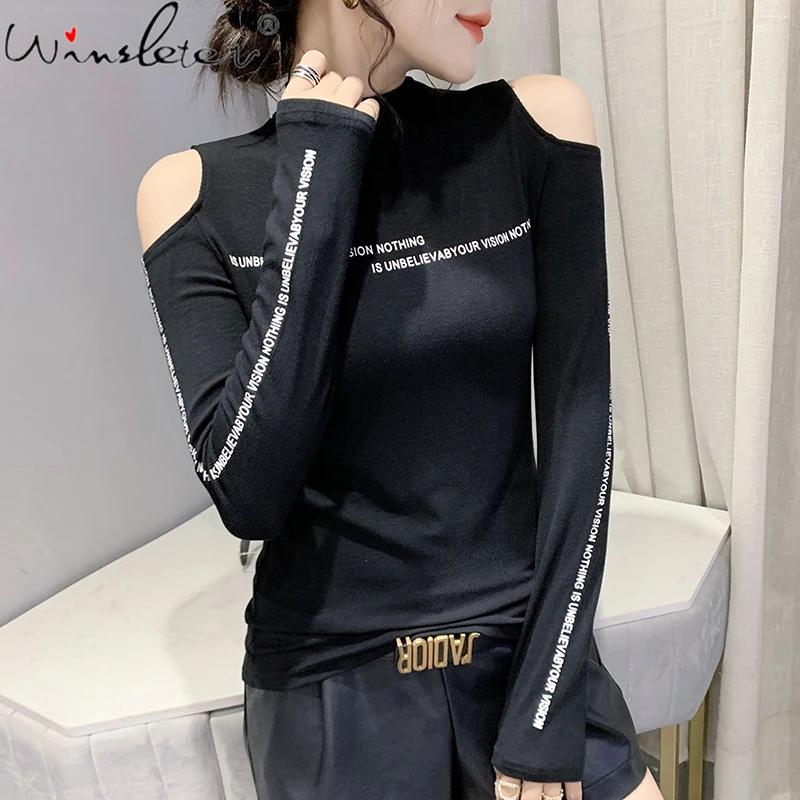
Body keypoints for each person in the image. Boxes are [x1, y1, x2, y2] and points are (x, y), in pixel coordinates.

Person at [135, 1, 666, 799]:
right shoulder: (189, 193)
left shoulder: (535, 126)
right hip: (331, 684)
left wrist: (548, 702)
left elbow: (580, 422)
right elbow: (248, 493)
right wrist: (317, 171)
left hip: (526, 650)